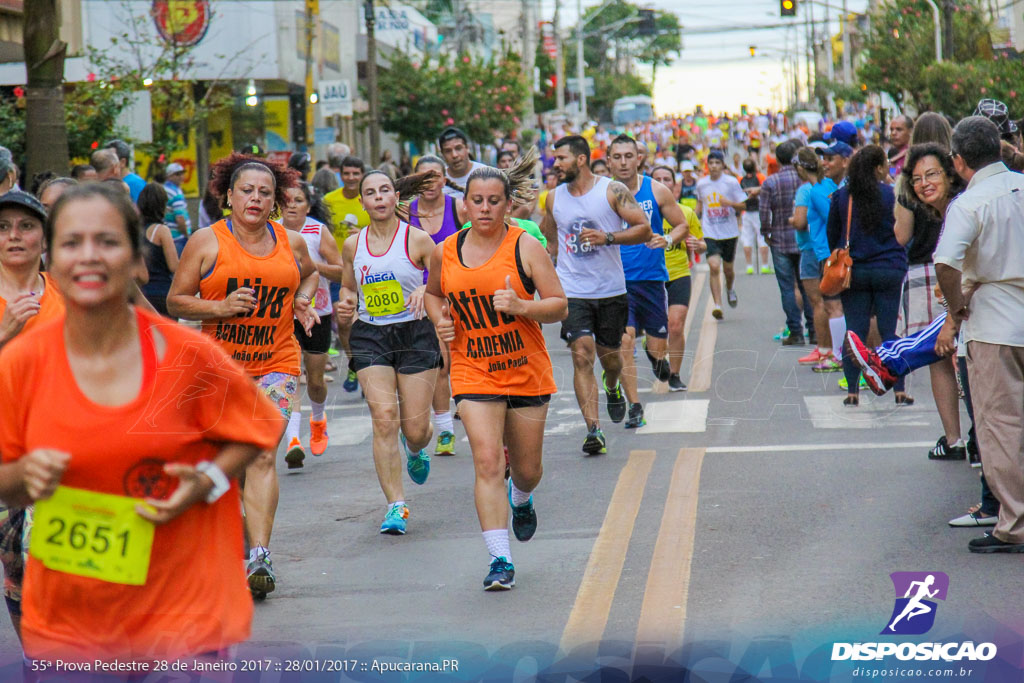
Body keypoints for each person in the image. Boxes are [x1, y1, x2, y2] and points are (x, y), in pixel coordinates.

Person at [0, 183, 284, 662]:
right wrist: (23, 478)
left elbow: (259, 426)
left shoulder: (184, 355)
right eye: (72, 243)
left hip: (182, 612)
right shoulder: (22, 361)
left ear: (136, 258)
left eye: (107, 242)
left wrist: (208, 481)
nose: (88, 257)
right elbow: (6, 484)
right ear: (56, 256)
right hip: (76, 619)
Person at [166, 153, 321, 598]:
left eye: (265, 192)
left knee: (259, 455)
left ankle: (260, 555)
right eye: (247, 190)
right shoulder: (205, 241)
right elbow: (177, 301)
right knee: (229, 467)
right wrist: (218, 308)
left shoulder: (291, 242)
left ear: (275, 201)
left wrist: (304, 302)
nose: (255, 198)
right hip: (221, 369)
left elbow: (308, 276)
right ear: (228, 196)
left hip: (277, 362)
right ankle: (233, 533)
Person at [425, 161, 567, 591]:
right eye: (476, 201)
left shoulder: (525, 246)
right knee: (487, 461)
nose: (484, 208)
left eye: (494, 201)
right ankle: (500, 558)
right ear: (464, 204)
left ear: (508, 205)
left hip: (525, 371)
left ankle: (521, 498)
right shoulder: (445, 250)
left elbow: (559, 305)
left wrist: (523, 307)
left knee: (526, 470)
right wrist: (440, 321)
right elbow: (433, 294)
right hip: (472, 370)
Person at [934, 116, 1024, 552]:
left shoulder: (970, 204)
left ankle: (1015, 524)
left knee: (1001, 426)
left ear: (959, 161)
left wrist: (956, 307)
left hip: (995, 323)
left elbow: (946, 263)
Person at [335, 170, 440, 535]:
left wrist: (425, 292)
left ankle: (415, 450)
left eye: (384, 191)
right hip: (371, 336)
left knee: (414, 430)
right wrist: (346, 304)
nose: (378, 198)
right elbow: (349, 289)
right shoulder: (353, 245)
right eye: (370, 193)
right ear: (361, 202)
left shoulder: (419, 241)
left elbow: (446, 285)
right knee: (383, 418)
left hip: (414, 333)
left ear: (396, 197)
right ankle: (396, 505)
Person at [539, 135, 652, 455]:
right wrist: (548, 260)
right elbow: (550, 234)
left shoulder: (612, 190)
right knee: (581, 353)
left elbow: (643, 228)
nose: (555, 164)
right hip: (572, 290)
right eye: (554, 159)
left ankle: (613, 385)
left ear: (580, 160)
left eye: (560, 158)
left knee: (611, 359)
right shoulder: (553, 198)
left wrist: (608, 237)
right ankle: (593, 429)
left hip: (610, 289)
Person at [0, 191, 63, 640]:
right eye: (2, 228)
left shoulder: (67, 291)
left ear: (44, 238)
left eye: (25, 226)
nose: (13, 237)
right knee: (16, 568)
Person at [895, 126, 968, 461]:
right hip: (944, 285)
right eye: (917, 178)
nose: (924, 183)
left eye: (932, 175)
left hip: (944, 284)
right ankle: (973, 441)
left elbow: (901, 236)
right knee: (956, 359)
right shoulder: (949, 207)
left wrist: (951, 322)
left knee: (949, 358)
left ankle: (963, 439)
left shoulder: (961, 208)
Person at [607, 134, 688, 427]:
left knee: (656, 344)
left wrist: (666, 240)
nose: (624, 162)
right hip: (616, 283)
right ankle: (635, 407)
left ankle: (656, 359)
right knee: (624, 343)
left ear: (639, 158)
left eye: (629, 156)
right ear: (609, 161)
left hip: (652, 279)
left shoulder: (657, 190)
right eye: (617, 157)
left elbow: (682, 225)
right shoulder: (601, 194)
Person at [826, 145, 910, 406]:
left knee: (855, 331)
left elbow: (833, 236)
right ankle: (899, 389)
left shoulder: (842, 197)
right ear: (878, 168)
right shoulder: (892, 194)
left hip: (856, 272)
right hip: (889, 269)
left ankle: (852, 390)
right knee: (890, 330)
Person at [281, 182, 343, 463]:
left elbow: (342, 272)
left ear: (308, 205)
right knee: (292, 376)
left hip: (319, 313)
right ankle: (293, 440)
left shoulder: (318, 231)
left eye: (298, 200)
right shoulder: (273, 231)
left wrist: (312, 268)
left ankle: (318, 421)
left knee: (315, 380)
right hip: (285, 314)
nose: (292, 204)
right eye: (287, 200)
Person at [408, 155, 464, 456]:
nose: (431, 183)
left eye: (436, 176)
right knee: (440, 362)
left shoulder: (458, 208)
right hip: (419, 298)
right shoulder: (406, 212)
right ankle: (445, 430)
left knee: (455, 360)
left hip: (456, 294)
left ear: (445, 179)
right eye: (424, 177)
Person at [650, 165, 705, 392]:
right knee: (656, 330)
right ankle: (652, 349)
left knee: (675, 325)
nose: (663, 182)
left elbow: (702, 243)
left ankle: (674, 374)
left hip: (679, 273)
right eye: (657, 179)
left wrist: (698, 244)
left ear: (675, 184)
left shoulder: (686, 212)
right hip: (651, 277)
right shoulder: (641, 212)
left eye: (667, 179)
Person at [760, 140, 815, 344]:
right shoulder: (806, 182)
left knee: (787, 288)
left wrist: (766, 232)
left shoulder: (770, 182)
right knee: (807, 285)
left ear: (777, 159)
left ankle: (796, 331)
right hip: (804, 239)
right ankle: (815, 329)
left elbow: (764, 212)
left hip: (780, 240)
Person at [323, 156, 370, 391]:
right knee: (343, 322)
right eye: (347, 173)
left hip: (367, 269)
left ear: (362, 174)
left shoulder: (369, 198)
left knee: (368, 321)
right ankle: (354, 362)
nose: (351, 178)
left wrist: (363, 232)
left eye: (355, 173)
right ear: (340, 175)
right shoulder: (329, 201)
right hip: (338, 270)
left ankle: (369, 368)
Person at [791, 148, 839, 371]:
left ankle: (831, 352)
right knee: (830, 304)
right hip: (824, 251)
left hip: (822, 251)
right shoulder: (828, 184)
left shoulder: (815, 190)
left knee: (826, 304)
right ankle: (831, 351)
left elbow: (831, 219)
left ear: (801, 168)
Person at [696, 150, 747, 320]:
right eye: (711, 163)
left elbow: (743, 206)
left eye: (717, 163)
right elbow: (699, 206)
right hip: (710, 231)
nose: (714, 166)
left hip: (729, 232)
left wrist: (730, 203)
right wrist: (694, 225)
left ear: (723, 165)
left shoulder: (731, 182)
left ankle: (730, 288)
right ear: (707, 165)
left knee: (728, 269)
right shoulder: (702, 184)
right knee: (714, 266)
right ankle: (718, 305)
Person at [138, 183, 179, 316]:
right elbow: (174, 266)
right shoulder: (161, 231)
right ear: (162, 205)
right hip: (162, 293)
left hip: (142, 294)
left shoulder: (135, 230)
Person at [739, 158, 771, 275]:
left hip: (746, 211)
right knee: (762, 238)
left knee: (747, 238)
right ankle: (764, 265)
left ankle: (749, 266)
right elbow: (766, 190)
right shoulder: (760, 177)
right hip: (759, 211)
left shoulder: (741, 180)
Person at [438, 127, 488, 198]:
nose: (454, 155)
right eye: (448, 151)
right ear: (442, 154)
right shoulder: (439, 181)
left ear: (467, 148)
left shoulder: (485, 173)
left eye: (458, 148)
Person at [163, 162, 192, 240]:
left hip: (169, 236)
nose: (181, 177)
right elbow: (180, 217)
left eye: (182, 173)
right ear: (169, 176)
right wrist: (187, 235)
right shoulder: (175, 192)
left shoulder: (164, 189)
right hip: (178, 236)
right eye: (177, 174)